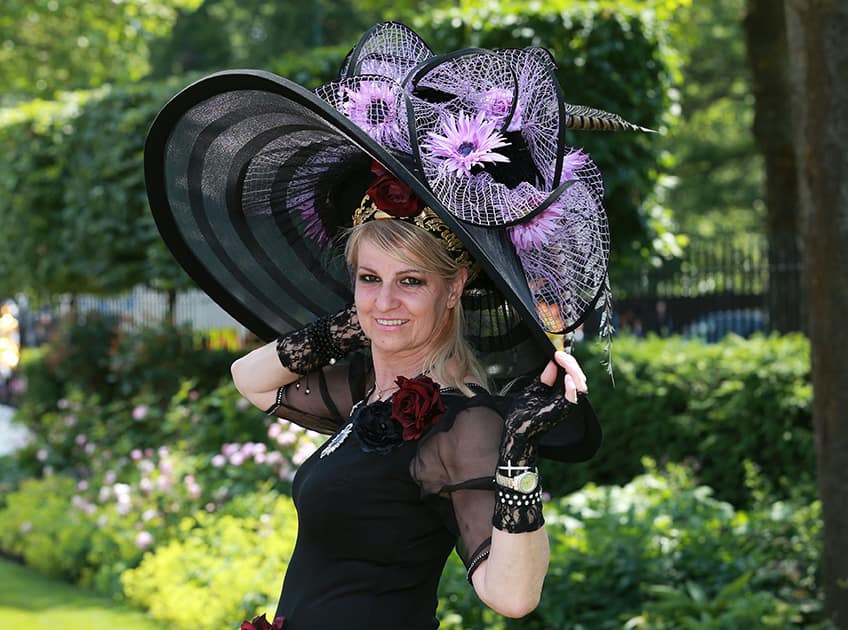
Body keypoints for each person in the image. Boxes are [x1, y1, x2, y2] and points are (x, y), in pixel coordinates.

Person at [144, 21, 648, 630]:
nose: (386, 298)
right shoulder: (368, 401)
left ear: (454, 288)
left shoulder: (466, 422)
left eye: (410, 282)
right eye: (368, 278)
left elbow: (512, 596)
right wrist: (360, 324)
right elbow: (250, 377)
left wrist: (517, 452)